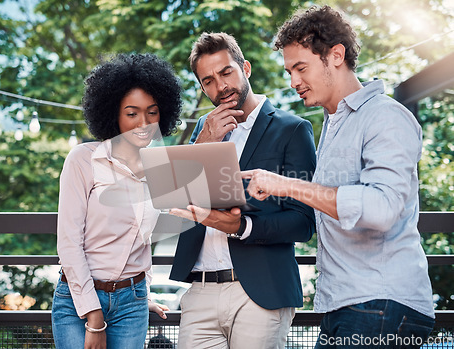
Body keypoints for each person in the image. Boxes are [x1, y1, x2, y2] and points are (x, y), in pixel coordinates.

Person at [243, 5, 435, 348]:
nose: (294, 82)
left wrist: (285, 184)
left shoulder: (385, 117)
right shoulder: (333, 125)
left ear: (336, 55)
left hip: (381, 304)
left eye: (301, 68)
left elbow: (381, 209)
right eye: (289, 71)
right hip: (347, 307)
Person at [168, 32, 317, 349]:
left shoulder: (292, 129)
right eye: (207, 80)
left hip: (259, 293)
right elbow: (174, 201)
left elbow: (304, 222)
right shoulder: (202, 130)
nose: (220, 87)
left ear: (245, 68)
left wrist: (242, 226)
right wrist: (204, 142)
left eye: (226, 73)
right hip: (200, 291)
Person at [51, 53, 182, 349]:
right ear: (113, 113)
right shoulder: (83, 160)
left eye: (152, 112)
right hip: (77, 301)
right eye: (132, 113)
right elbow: (69, 244)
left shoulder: (160, 168)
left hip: (131, 304)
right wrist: (95, 317)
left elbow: (142, 241)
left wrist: (139, 295)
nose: (144, 123)